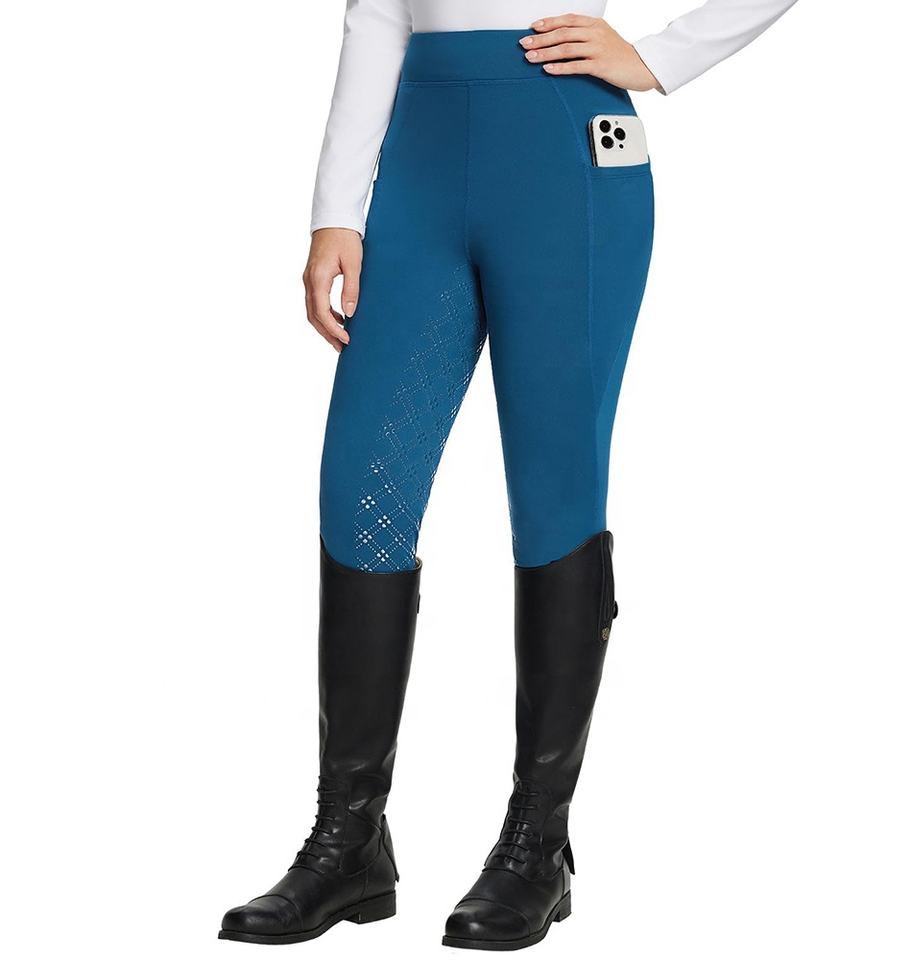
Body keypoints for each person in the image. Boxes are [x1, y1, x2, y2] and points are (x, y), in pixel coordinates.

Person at [219, 1, 798, 950]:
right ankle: (348, 839)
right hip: (418, 170)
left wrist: (662, 59)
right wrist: (335, 209)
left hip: (565, 162)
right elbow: (378, 13)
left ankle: (538, 845)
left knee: (555, 493)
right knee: (363, 495)